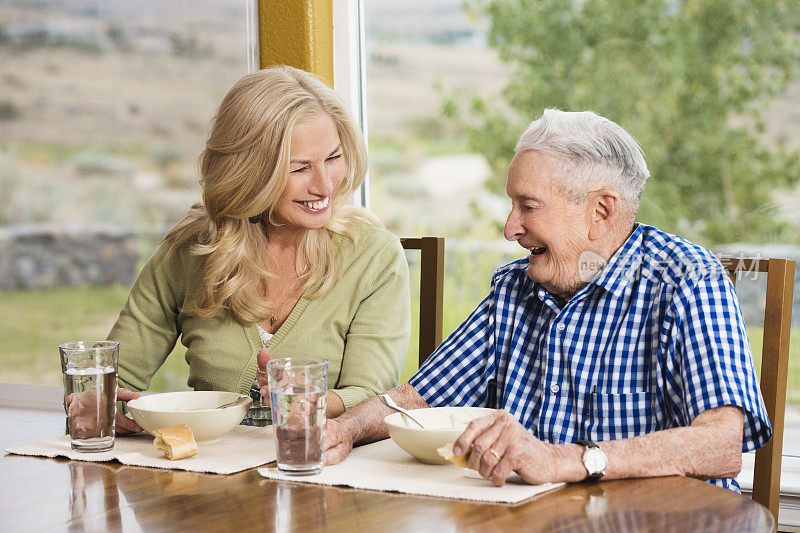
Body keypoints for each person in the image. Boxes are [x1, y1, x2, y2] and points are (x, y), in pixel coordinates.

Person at [324, 109, 771, 493]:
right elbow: (415, 401)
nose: (509, 228)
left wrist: (564, 460)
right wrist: (341, 430)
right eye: (510, 204)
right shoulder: (514, 288)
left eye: (528, 206)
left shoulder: (688, 280)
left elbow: (720, 445)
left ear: (602, 211)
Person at [108, 65, 411, 434]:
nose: (325, 185)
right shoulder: (190, 252)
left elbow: (372, 397)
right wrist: (100, 403)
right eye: (300, 168)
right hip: (211, 478)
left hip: (321, 469)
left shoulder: (375, 258)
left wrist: (309, 400)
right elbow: (114, 378)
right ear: (250, 173)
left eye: (333, 158)